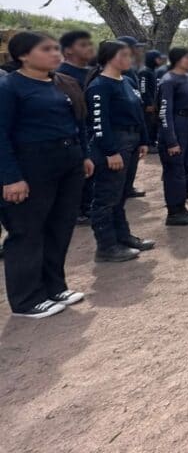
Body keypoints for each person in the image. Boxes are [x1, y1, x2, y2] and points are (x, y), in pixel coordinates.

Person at [0, 32, 91, 317]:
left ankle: (54, 285)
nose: (56, 53)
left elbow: (79, 121)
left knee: (59, 226)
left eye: (56, 48)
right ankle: (27, 299)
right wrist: (10, 177)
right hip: (31, 165)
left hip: (68, 162)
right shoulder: (9, 87)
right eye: (47, 49)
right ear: (24, 55)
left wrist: (85, 154)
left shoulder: (64, 82)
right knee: (27, 230)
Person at [87, 40, 155, 262]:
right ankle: (106, 246)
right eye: (123, 55)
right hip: (114, 144)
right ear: (109, 57)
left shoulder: (126, 81)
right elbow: (99, 123)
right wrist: (110, 151)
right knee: (106, 198)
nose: (129, 59)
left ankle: (123, 236)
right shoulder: (100, 86)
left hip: (131, 141)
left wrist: (144, 139)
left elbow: (138, 111)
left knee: (121, 194)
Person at [156, 48, 188, 226]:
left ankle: (183, 206)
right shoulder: (168, 81)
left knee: (185, 169)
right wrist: (171, 140)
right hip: (177, 125)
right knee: (174, 171)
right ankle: (174, 211)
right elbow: (164, 112)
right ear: (177, 59)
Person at [58, 30, 96, 224]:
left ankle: (88, 207)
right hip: (77, 132)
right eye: (83, 45)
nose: (89, 48)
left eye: (89, 44)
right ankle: (80, 210)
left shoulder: (92, 71)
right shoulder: (62, 75)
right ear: (67, 51)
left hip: (93, 128)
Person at [114, 35, 148, 199]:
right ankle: (118, 193)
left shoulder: (132, 70)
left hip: (135, 121)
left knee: (132, 161)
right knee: (120, 165)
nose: (139, 50)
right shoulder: (113, 71)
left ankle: (128, 188)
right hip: (120, 127)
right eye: (136, 47)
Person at [140, 49, 164, 147]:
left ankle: (152, 142)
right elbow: (143, 88)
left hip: (154, 103)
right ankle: (148, 143)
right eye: (158, 59)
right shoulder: (144, 71)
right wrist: (148, 103)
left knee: (153, 123)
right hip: (147, 105)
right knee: (148, 123)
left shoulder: (153, 71)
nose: (160, 61)